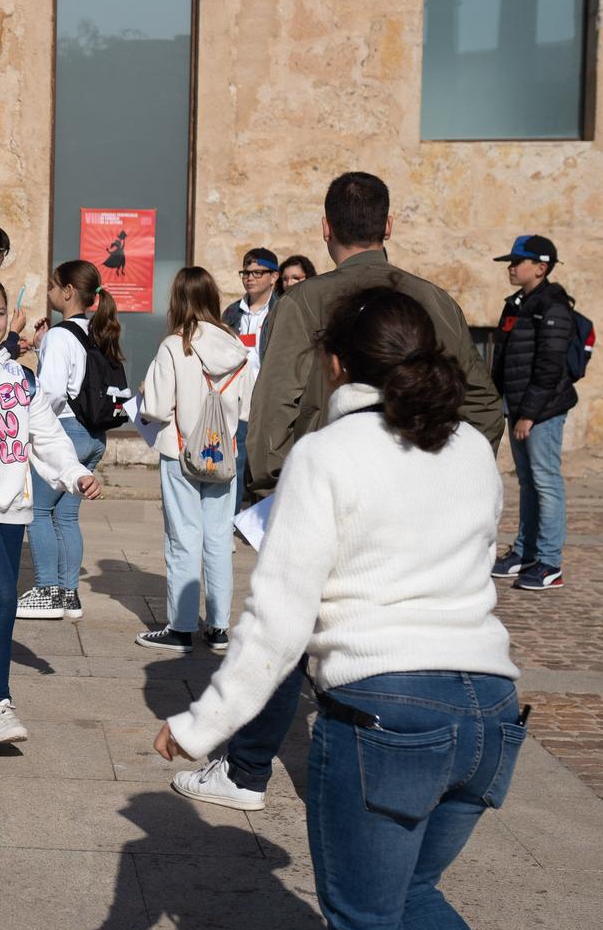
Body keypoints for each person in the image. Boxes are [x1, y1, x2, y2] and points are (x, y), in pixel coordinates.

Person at [154, 287, 561, 930]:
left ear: (336, 363)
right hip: (487, 708)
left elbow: (276, 618)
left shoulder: (328, 454)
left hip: (385, 711)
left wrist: (203, 725)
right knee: (412, 892)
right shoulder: (473, 451)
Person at [172, 170, 504, 813]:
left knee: (287, 622)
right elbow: (484, 406)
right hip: (417, 508)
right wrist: (442, 462)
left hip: (324, 482)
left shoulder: (304, 303)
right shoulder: (435, 301)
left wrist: (267, 489)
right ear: (388, 226)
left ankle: (245, 771)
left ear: (325, 229)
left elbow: (276, 407)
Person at [0, 278, 100, 741]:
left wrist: (75, 473)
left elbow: (46, 434)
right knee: (4, 597)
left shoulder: (20, 376)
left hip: (13, 505)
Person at [135, 267, 253, 654]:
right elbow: (248, 405)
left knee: (183, 536)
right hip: (224, 455)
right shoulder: (237, 347)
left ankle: (182, 626)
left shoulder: (175, 345)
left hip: (180, 451)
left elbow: (155, 406)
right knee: (219, 537)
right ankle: (219, 627)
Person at [18, 259, 123, 621]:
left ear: (67, 292)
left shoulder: (62, 336)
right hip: (94, 436)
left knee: (39, 512)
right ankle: (68, 594)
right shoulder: (98, 330)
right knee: (66, 516)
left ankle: (47, 589)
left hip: (66, 432)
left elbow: (51, 393)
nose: (48, 293)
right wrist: (39, 347)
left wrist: (33, 426)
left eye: (52, 286)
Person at [490, 235, 579, 592]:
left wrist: (528, 415)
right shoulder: (516, 304)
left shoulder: (554, 307)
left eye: (517, 261)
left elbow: (549, 367)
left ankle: (549, 562)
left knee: (546, 482)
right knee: (527, 482)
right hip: (518, 407)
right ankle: (525, 554)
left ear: (541, 268)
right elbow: (504, 359)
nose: (511, 267)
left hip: (542, 410)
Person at [223, 247, 280, 503]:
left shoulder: (281, 310)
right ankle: (231, 523)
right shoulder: (232, 313)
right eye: (246, 272)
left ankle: (261, 523)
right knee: (236, 462)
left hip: (269, 398)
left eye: (258, 272)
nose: (250, 278)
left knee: (267, 467)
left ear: (274, 277)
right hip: (238, 400)